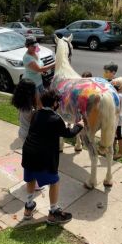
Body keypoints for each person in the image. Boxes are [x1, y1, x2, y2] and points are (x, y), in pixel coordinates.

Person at [22, 89, 84, 225]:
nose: (59, 104)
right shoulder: (55, 118)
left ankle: (28, 206)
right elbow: (68, 133)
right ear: (55, 103)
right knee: (54, 182)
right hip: (43, 157)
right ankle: (53, 212)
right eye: (58, 102)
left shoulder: (37, 114)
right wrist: (79, 125)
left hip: (28, 153)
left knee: (31, 178)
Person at [22, 36, 55, 108]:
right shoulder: (27, 58)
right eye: (32, 46)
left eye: (35, 46)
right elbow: (39, 69)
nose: (35, 47)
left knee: (43, 99)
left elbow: (39, 65)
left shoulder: (35, 52)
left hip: (39, 81)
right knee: (39, 103)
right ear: (27, 46)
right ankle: (40, 116)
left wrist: (42, 72)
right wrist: (54, 64)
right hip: (32, 83)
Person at [11, 79, 37, 143]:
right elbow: (35, 124)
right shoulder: (31, 110)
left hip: (22, 132)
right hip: (29, 135)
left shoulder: (21, 105)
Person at [111, 77, 122, 160]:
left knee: (118, 135)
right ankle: (112, 148)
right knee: (113, 134)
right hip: (114, 117)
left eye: (115, 85)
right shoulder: (116, 94)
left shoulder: (119, 96)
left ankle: (120, 152)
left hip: (117, 118)